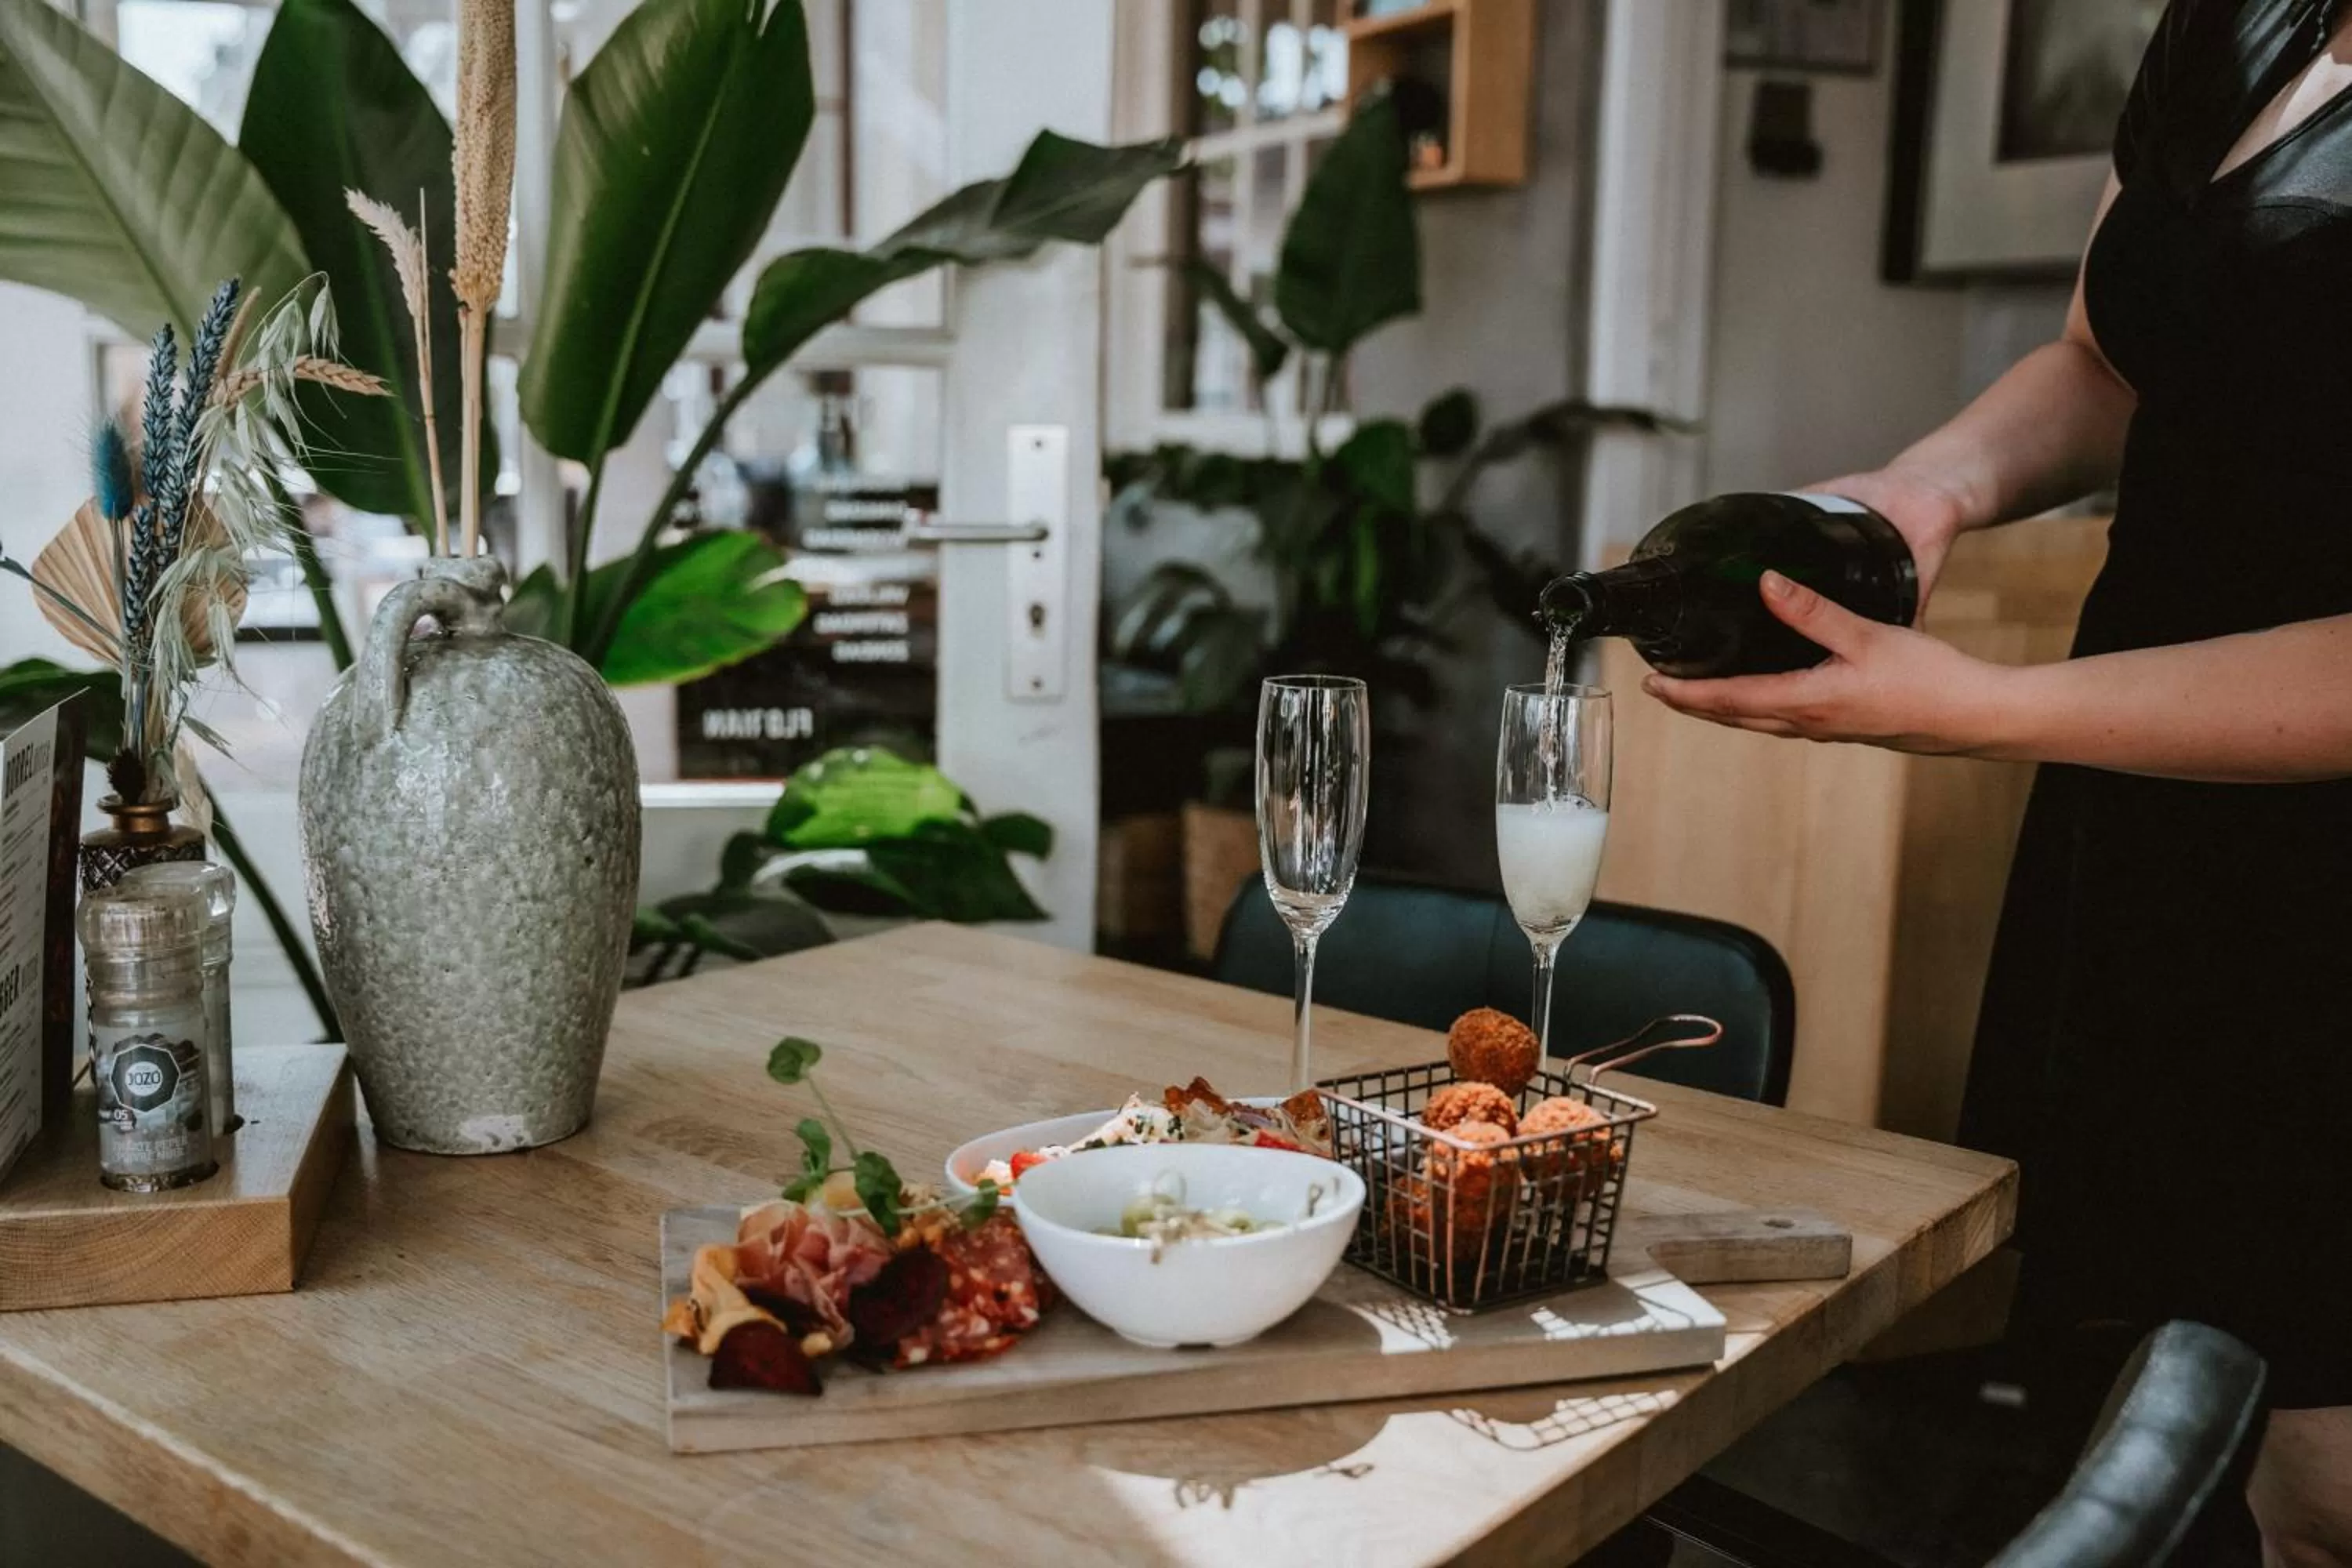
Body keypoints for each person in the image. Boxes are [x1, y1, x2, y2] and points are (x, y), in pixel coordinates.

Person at [1646, 1, 2352, 1560]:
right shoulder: (2234, 24)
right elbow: (2110, 358)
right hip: (2149, 813)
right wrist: (1932, 486)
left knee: (2317, 1475)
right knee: (2169, 1408)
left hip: (2324, 876)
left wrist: (1993, 706)